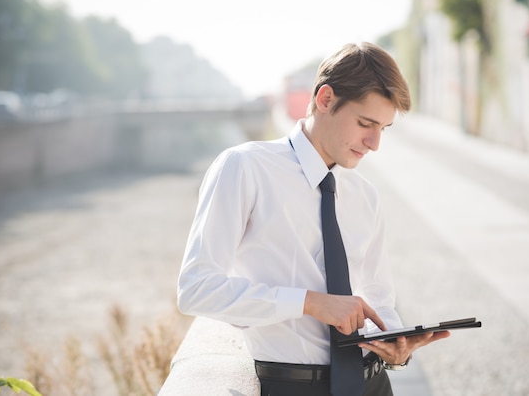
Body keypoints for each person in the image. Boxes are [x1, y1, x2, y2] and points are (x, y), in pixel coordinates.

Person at [177, 42, 450, 396]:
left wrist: (395, 344)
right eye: (365, 123)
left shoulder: (366, 195)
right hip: (293, 387)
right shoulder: (246, 167)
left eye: (384, 128)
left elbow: (379, 297)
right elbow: (196, 289)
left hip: (375, 385)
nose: (374, 143)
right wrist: (310, 302)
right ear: (324, 100)